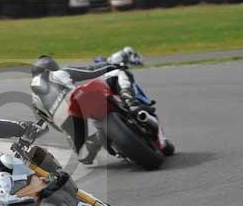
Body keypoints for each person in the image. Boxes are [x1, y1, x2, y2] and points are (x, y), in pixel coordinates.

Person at [31, 47, 172, 164]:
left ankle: (100, 138)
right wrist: (112, 65)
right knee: (118, 72)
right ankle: (131, 102)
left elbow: (53, 124)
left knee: (83, 156)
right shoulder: (58, 73)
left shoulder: (34, 100)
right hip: (76, 99)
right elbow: (92, 71)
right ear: (49, 68)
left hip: (68, 122)